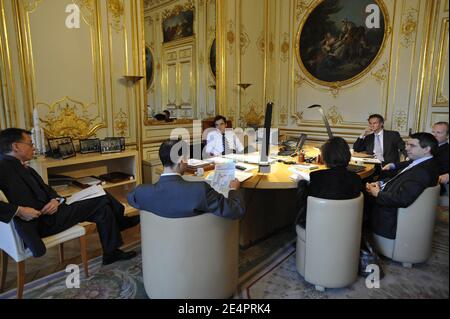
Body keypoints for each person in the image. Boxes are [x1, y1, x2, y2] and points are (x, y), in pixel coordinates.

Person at [0, 128, 139, 265]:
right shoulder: (3, 167)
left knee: (103, 207)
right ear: (16, 146)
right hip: (42, 221)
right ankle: (122, 222)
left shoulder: (22, 166)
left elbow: (47, 189)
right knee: (102, 198)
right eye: (30, 143)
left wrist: (55, 200)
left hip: (53, 211)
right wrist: (20, 211)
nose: (33, 147)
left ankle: (111, 253)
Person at [128, 139, 245, 219]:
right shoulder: (200, 190)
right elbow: (236, 210)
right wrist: (234, 190)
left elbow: (130, 198)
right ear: (181, 160)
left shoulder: (141, 192)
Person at [366, 133, 439, 239]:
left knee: (357, 196)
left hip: (390, 216)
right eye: (407, 144)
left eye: (412, 146)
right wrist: (380, 183)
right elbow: (399, 178)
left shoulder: (423, 171)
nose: (406, 148)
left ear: (426, 149)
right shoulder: (423, 163)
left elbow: (402, 199)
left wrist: (377, 193)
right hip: (390, 201)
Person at [296, 137, 362, 228]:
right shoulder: (356, 178)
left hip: (317, 225)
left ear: (325, 157)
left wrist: (302, 184)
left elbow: (306, 203)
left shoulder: (317, 177)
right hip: (348, 226)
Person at [431, 121, 449, 187]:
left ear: (447, 135)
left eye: (438, 132)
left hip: (437, 185)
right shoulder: (426, 147)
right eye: (433, 132)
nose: (434, 135)